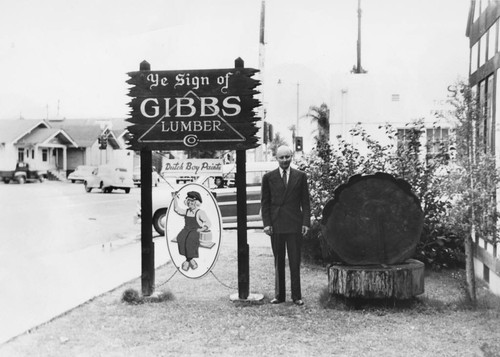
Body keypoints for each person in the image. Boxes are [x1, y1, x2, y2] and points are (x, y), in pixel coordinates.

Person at [261, 145, 311, 306]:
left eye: (287, 157)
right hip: (276, 225)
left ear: (291, 157)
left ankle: (296, 296)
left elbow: (305, 202)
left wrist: (306, 223)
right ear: (276, 158)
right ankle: (279, 295)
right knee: (279, 261)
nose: (284, 160)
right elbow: (265, 203)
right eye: (281, 157)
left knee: (295, 261)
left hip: (294, 225)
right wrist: (267, 224)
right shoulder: (268, 177)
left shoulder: (300, 176)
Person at [172, 191, 211, 271]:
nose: (190, 203)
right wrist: (175, 198)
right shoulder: (186, 211)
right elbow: (177, 209)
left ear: (196, 202)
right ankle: (191, 260)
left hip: (195, 230)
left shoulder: (200, 212)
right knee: (180, 238)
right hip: (186, 229)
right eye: (188, 201)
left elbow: (208, 223)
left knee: (189, 240)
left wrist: (201, 229)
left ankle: (187, 262)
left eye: (192, 201)